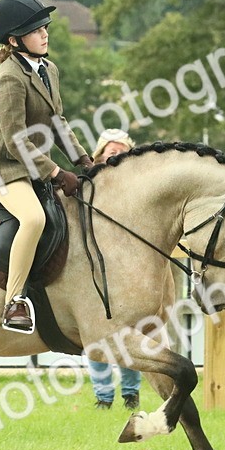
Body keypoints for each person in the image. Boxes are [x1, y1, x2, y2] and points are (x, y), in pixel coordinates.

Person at [0, 0, 92, 333]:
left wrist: (84, 161)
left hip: (30, 160)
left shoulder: (49, 69)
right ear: (15, 41)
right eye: (36, 30)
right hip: (4, 166)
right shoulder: (8, 79)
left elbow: (57, 122)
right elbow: (16, 141)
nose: (45, 34)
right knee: (33, 218)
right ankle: (13, 302)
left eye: (45, 27)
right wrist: (57, 173)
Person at [85, 129, 142, 409]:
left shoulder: (137, 187)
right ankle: (103, 397)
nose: (116, 156)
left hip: (125, 272)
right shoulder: (87, 182)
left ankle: (131, 393)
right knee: (95, 336)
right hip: (93, 269)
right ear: (100, 154)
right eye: (111, 152)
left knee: (128, 335)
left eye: (122, 152)